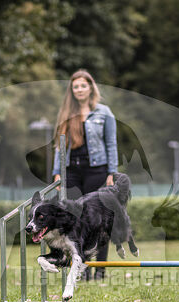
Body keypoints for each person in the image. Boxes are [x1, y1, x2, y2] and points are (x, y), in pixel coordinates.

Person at [52, 69, 119, 280]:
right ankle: (79, 268)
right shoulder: (65, 114)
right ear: (72, 91)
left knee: (100, 220)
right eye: (76, 86)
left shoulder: (104, 112)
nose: (79, 89)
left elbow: (111, 143)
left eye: (83, 85)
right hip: (72, 172)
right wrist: (57, 173)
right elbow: (59, 147)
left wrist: (112, 172)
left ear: (90, 88)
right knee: (74, 220)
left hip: (97, 170)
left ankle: (99, 269)